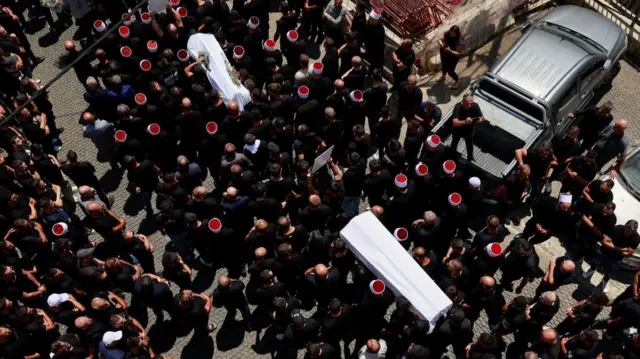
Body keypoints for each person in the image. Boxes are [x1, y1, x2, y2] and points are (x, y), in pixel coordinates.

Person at [583, 219, 640, 292]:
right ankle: (591, 269)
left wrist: (613, 246)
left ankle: (605, 281)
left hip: (617, 257)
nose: (627, 232)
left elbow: (629, 253)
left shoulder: (636, 238)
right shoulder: (618, 228)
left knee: (610, 272)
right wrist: (622, 249)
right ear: (624, 226)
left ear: (634, 231)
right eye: (626, 229)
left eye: (630, 231)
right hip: (604, 251)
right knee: (595, 262)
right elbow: (604, 241)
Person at [451, 95, 484, 162]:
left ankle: (470, 158)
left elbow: (482, 118)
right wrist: (465, 122)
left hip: (469, 130)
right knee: (454, 142)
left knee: (469, 146)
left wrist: (477, 120)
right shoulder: (458, 107)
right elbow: (455, 122)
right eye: (467, 104)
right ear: (463, 102)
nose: (469, 106)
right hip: (458, 130)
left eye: (471, 103)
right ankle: (451, 155)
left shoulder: (475, 106)